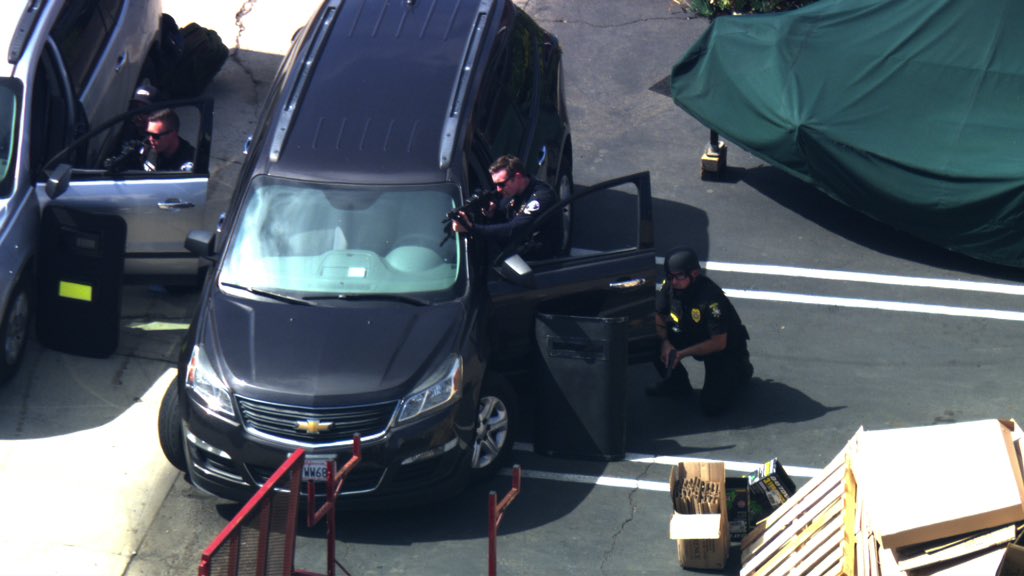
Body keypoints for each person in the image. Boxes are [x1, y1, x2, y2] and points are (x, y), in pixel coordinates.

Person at [648, 247, 753, 416]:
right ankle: (677, 385)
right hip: (689, 334)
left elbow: (719, 342)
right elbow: (658, 314)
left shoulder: (711, 300)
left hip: (721, 348)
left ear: (694, 274)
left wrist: (681, 354)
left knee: (713, 407)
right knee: (650, 340)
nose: (674, 281)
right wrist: (665, 344)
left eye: (679, 276)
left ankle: (740, 371)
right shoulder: (671, 287)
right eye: (670, 276)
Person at [451, 154, 562, 260]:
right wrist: (493, 213)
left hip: (539, 263)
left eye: (501, 184)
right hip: (514, 255)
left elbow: (513, 230)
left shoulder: (541, 196)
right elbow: (504, 218)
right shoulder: (511, 192)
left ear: (517, 177)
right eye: (496, 185)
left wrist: (472, 229)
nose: (498, 189)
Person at [106, 108, 195, 172]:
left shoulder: (190, 159)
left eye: (155, 136)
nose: (150, 139)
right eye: (148, 134)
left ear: (173, 134)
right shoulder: (144, 148)